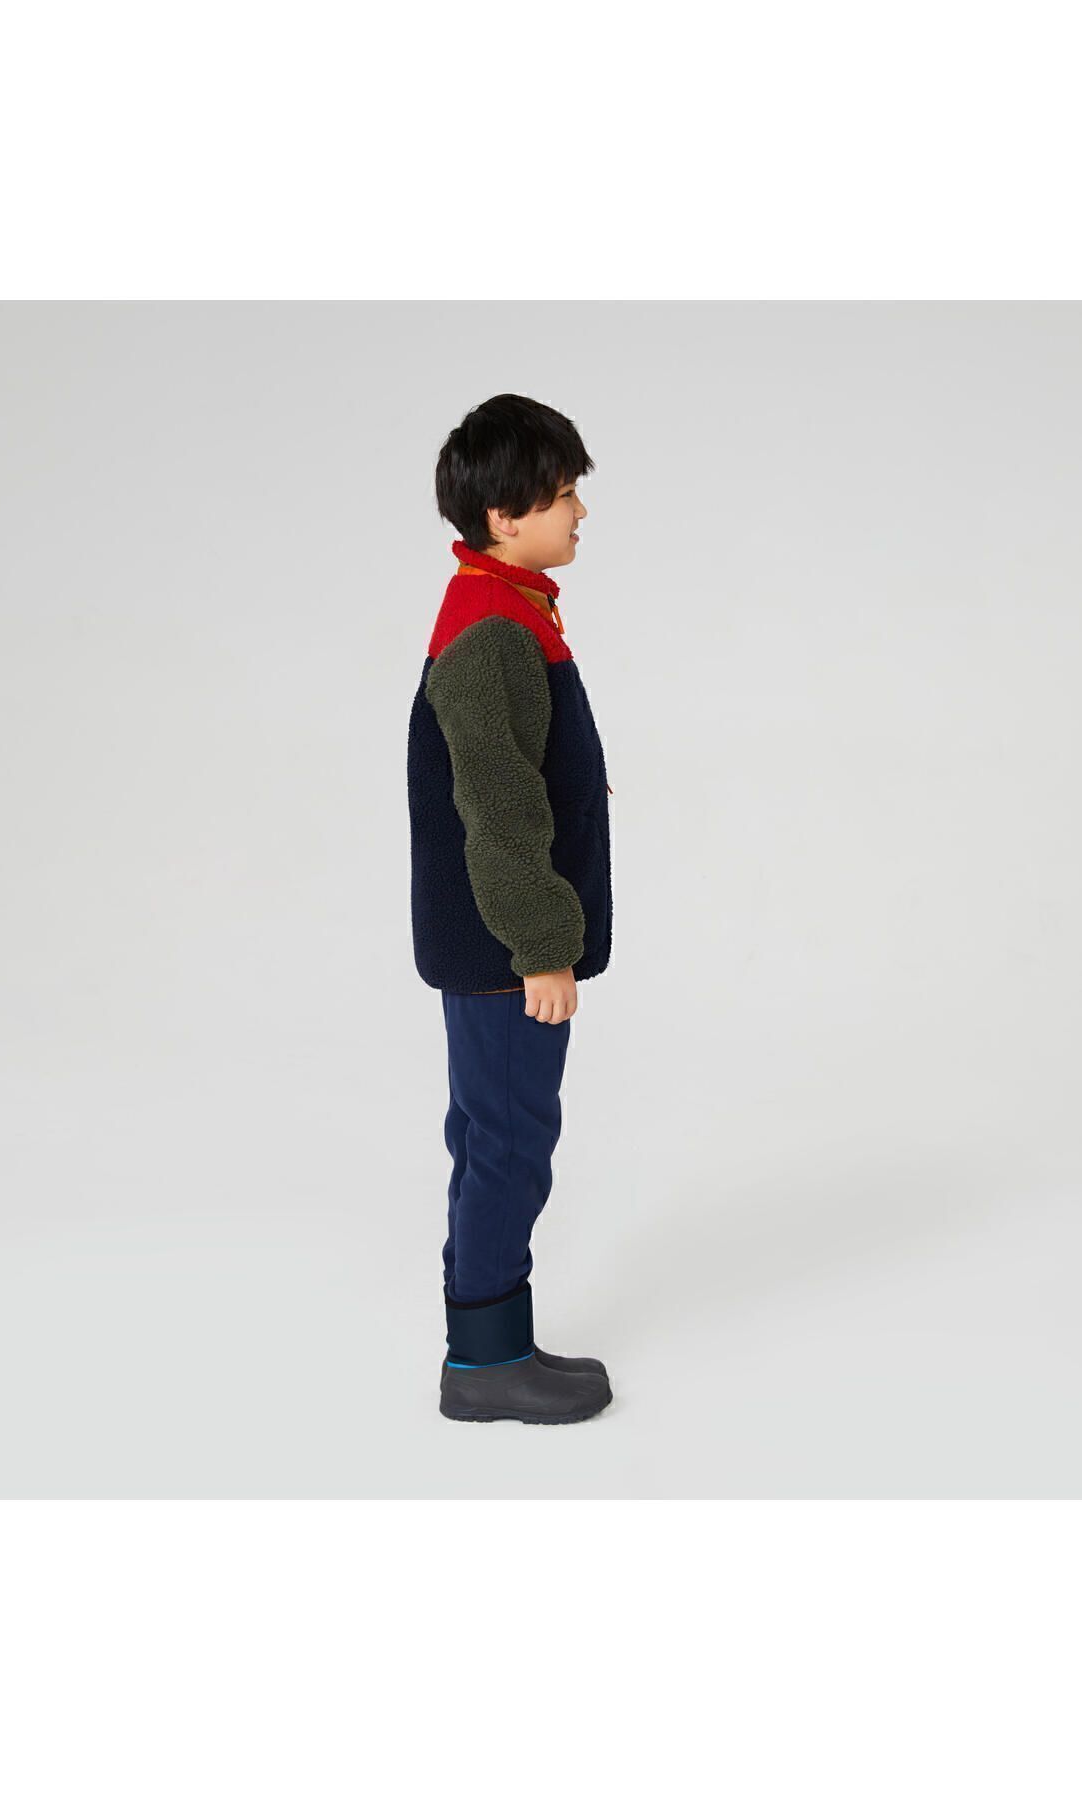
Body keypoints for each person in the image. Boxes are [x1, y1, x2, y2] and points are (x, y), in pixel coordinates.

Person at [406, 393, 615, 1424]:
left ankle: (495, 1344)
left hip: (500, 944)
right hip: (504, 951)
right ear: (504, 516)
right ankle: (484, 1366)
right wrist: (540, 947)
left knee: (499, 1134)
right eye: (564, 493)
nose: (581, 511)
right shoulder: (491, 630)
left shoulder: (508, 605)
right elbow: (496, 803)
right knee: (508, 1142)